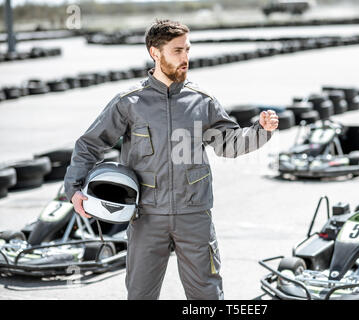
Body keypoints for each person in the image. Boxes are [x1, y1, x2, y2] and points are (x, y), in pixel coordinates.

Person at [64, 19, 279, 300]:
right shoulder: (129, 103)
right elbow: (90, 144)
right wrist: (75, 188)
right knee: (140, 294)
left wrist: (261, 130)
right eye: (177, 51)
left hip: (194, 215)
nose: (185, 58)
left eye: (187, 50)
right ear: (155, 52)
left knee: (207, 295)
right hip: (146, 217)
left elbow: (229, 144)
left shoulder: (202, 101)